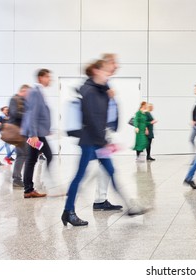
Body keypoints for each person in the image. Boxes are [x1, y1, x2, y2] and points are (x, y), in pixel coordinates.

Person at [63, 60, 146, 227]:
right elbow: (92, 119)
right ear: (96, 71)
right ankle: (68, 211)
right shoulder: (90, 91)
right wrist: (104, 142)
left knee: (111, 171)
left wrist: (106, 139)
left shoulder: (102, 91)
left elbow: (104, 118)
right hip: (90, 141)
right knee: (80, 176)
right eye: (106, 70)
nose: (109, 73)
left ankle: (130, 207)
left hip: (100, 141)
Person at [94, 53, 123, 211]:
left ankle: (100, 199)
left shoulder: (105, 82)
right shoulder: (99, 82)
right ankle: (99, 199)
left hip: (105, 129)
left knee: (104, 167)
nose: (116, 66)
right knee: (92, 169)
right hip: (101, 130)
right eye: (113, 63)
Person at [21, 69, 53, 198]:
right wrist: (33, 135)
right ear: (40, 78)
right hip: (35, 135)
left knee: (31, 159)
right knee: (49, 155)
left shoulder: (38, 92)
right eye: (47, 77)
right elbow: (32, 114)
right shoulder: (35, 92)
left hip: (37, 133)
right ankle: (48, 182)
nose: (50, 79)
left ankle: (28, 190)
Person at [8, 84, 30, 188]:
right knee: (22, 154)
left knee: (24, 154)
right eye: (27, 93)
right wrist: (28, 114)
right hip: (17, 131)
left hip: (23, 132)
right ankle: (16, 179)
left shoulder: (22, 100)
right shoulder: (14, 99)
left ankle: (18, 178)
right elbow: (14, 113)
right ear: (23, 91)